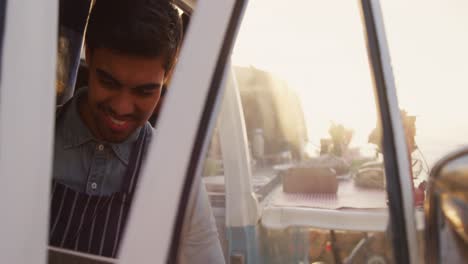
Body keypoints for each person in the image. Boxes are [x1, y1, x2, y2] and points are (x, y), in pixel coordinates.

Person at [49, 0, 224, 262]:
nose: (121, 107)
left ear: (168, 74)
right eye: (108, 81)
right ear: (89, 51)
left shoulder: (176, 179)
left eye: (145, 91)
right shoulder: (24, 142)